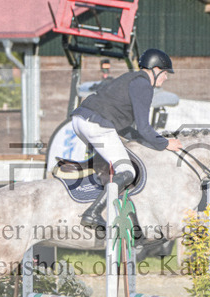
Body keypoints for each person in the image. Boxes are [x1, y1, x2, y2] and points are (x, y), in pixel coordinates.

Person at [70, 48, 183, 228]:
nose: (166, 78)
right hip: (96, 124)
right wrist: (165, 143)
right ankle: (92, 212)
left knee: (109, 170)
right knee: (127, 172)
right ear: (156, 69)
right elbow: (145, 128)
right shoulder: (143, 85)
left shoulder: (130, 79)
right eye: (165, 73)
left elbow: (126, 129)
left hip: (80, 120)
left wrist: (140, 140)